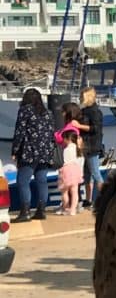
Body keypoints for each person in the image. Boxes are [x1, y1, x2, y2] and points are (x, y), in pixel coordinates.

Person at [10, 88, 55, 222]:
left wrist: (14, 151)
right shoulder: (48, 113)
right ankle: (41, 210)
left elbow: (20, 132)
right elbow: (51, 133)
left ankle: (25, 212)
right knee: (42, 180)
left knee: (23, 181)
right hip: (45, 152)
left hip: (29, 151)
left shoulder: (25, 111)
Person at [76, 86, 104, 208]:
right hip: (86, 146)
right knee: (87, 174)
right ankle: (88, 199)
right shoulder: (86, 110)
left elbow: (96, 129)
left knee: (95, 173)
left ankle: (104, 198)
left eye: (82, 96)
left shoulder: (94, 112)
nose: (80, 98)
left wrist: (79, 126)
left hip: (92, 145)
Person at [55, 129, 84, 216]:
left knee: (64, 192)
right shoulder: (78, 148)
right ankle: (73, 210)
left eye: (64, 138)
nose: (63, 141)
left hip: (66, 170)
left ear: (68, 139)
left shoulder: (66, 149)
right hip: (76, 170)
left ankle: (66, 207)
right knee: (74, 192)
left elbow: (64, 162)